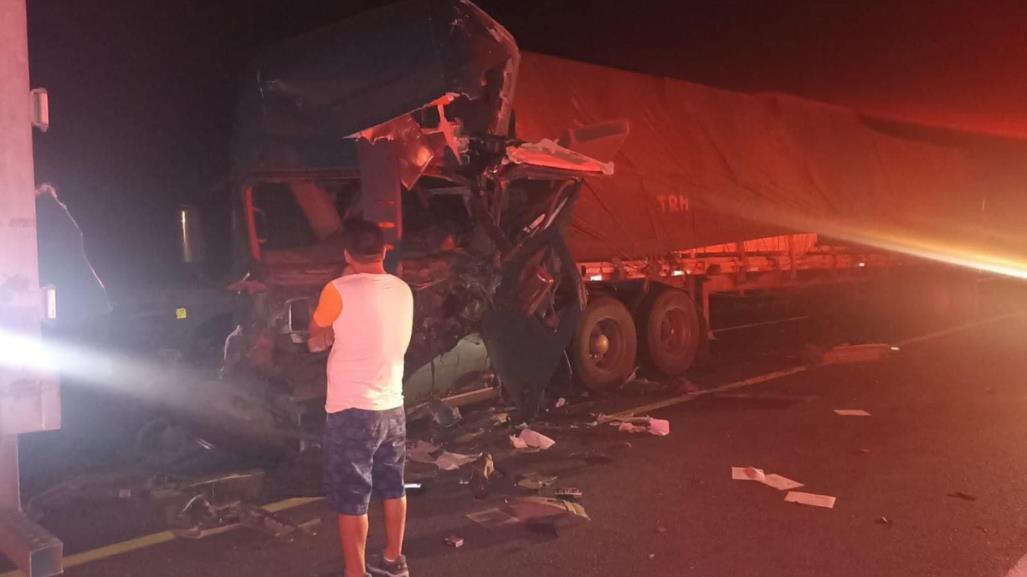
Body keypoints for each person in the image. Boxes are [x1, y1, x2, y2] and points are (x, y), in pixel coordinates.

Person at [309, 218, 414, 577]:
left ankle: (356, 573)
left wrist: (326, 334)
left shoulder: (336, 289)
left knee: (352, 499)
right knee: (393, 486)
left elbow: (314, 337)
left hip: (351, 410)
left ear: (346, 254)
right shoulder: (403, 289)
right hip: (392, 407)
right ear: (385, 250)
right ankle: (393, 561)